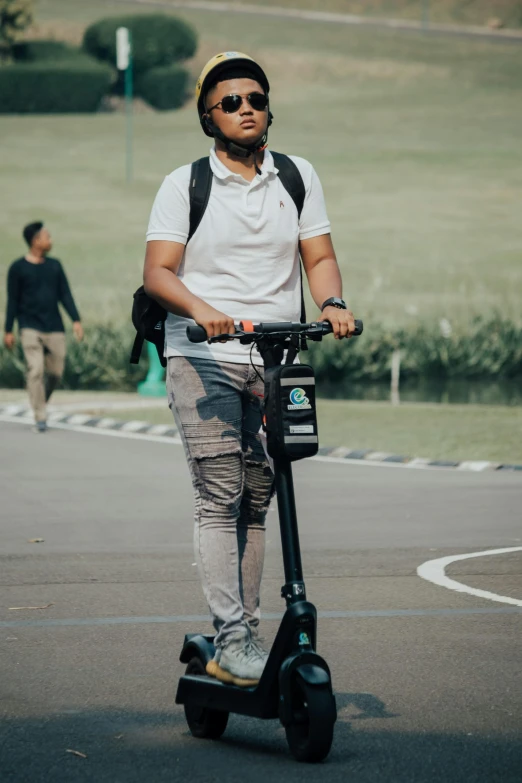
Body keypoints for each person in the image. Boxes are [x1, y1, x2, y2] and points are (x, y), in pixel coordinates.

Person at [143, 52, 356, 686]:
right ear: (207, 116)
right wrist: (204, 311)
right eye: (231, 102)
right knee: (220, 494)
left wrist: (333, 302)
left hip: (276, 355)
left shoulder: (297, 175)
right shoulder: (185, 185)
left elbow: (317, 255)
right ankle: (231, 639)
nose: (246, 109)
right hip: (203, 357)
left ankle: (250, 634)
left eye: (256, 99)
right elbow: (157, 273)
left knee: (260, 498)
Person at [3, 222, 83, 432]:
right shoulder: (17, 268)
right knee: (35, 369)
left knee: (56, 371)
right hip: (29, 327)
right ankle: (40, 415)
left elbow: (65, 294)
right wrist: (8, 329)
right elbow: (12, 300)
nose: (51, 240)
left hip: (54, 326)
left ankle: (39, 398)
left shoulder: (55, 266)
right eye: (47, 237)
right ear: (36, 241)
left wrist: (75, 319)